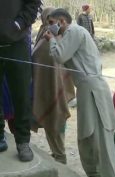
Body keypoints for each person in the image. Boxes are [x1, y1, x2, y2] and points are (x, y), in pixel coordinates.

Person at [44, 8, 115, 177]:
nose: (50, 27)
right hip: (87, 88)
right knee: (86, 135)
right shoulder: (73, 33)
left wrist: (51, 40)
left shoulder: (74, 31)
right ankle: (95, 176)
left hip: (93, 88)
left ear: (61, 21)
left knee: (101, 136)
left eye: (51, 23)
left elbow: (60, 56)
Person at [31, 7, 75, 164]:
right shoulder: (43, 36)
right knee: (52, 123)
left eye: (53, 21)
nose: (52, 24)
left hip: (56, 88)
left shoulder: (58, 37)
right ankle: (57, 155)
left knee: (56, 121)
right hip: (45, 88)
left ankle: (60, 156)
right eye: (49, 21)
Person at [0, 0, 41, 161]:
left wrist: (17, 24)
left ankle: (23, 141)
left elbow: (33, 4)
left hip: (17, 42)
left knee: (21, 94)